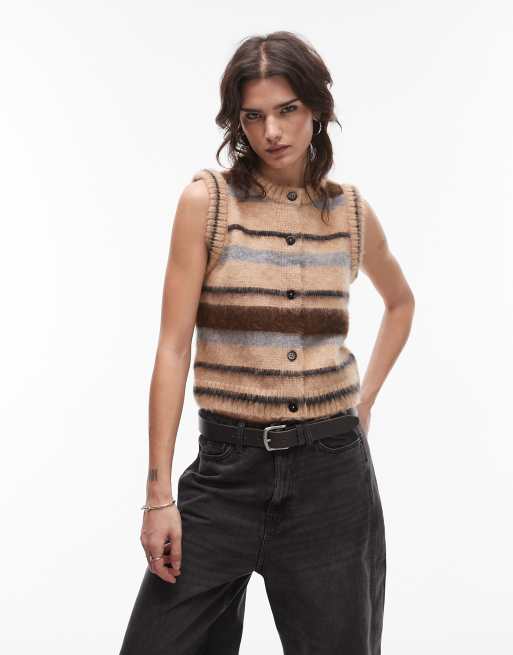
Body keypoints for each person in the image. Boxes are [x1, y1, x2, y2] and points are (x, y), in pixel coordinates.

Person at [119, 30, 415, 655]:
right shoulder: (208, 203)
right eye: (253, 116)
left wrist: (363, 403)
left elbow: (401, 303)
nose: (271, 131)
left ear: (317, 109)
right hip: (226, 475)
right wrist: (157, 496)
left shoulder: (350, 214)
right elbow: (172, 349)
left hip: (332, 480)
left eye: (288, 110)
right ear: (237, 121)